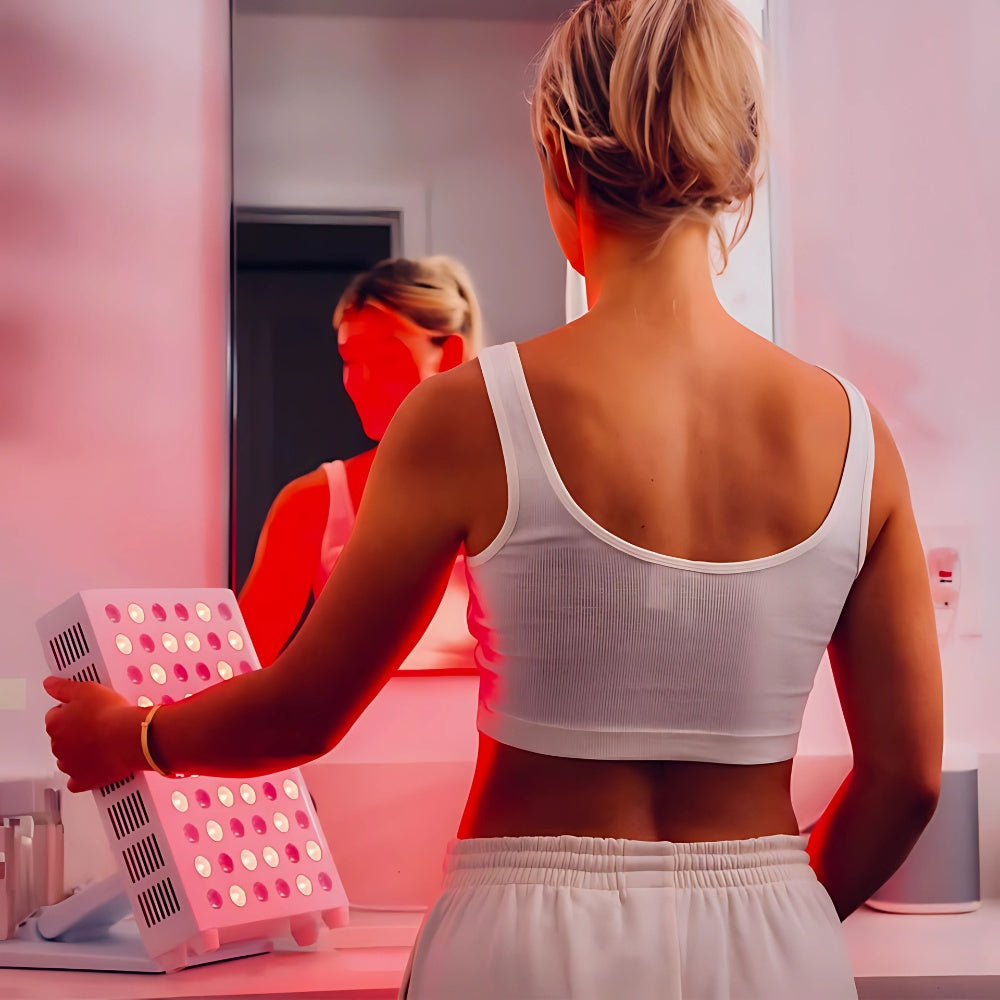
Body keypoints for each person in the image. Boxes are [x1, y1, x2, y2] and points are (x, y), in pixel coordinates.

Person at [44, 1, 943, 997]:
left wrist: (126, 733)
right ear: (740, 166)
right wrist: (776, 919)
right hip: (774, 934)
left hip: (528, 937)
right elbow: (905, 780)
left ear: (558, 156)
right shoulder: (858, 438)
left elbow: (302, 710)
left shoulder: (467, 414)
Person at [237, 256, 482, 670]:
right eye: (350, 358)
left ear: (451, 355)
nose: (362, 380)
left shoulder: (520, 491)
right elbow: (236, 671)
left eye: (385, 358)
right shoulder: (310, 504)